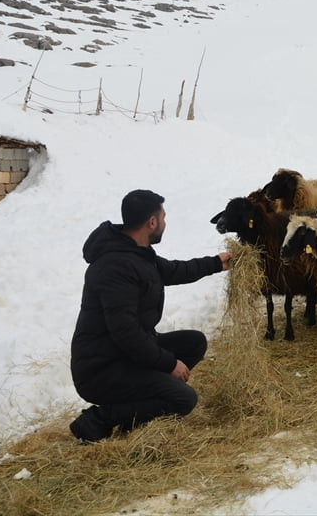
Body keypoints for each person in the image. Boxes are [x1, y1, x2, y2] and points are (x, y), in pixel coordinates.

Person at [69, 189, 231, 442]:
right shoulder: (116, 267)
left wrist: (216, 263)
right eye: (163, 217)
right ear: (152, 222)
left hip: (122, 354)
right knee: (184, 399)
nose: (165, 223)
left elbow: (174, 270)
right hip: (101, 369)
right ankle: (100, 419)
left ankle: (142, 403)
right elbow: (126, 334)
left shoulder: (136, 253)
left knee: (194, 342)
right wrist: (168, 364)